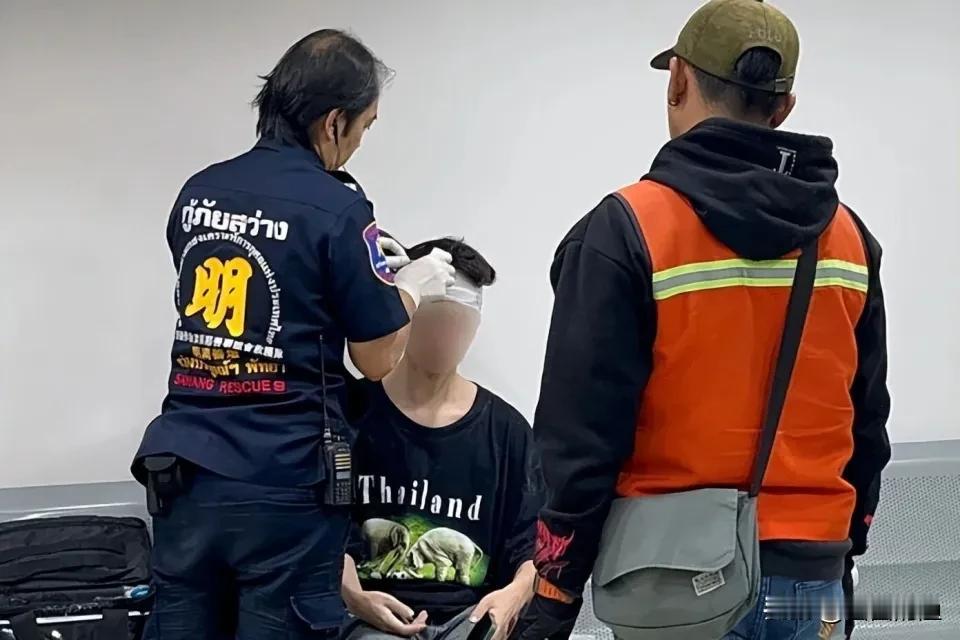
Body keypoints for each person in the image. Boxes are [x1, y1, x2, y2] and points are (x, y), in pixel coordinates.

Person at [520, 2, 891, 640]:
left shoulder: (626, 230)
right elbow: (867, 420)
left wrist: (554, 591)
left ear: (677, 81)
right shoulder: (848, 239)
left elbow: (579, 438)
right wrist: (845, 551)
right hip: (812, 576)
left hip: (675, 581)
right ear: (784, 107)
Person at [131, 31, 455, 639]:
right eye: (364, 127)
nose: (359, 142)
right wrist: (409, 288)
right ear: (333, 123)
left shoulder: (198, 191)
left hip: (185, 477)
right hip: (282, 482)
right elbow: (377, 360)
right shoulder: (338, 210)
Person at [340, 238, 544, 640]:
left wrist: (515, 594)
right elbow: (314, 528)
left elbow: (533, 546)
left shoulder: (507, 432)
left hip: (468, 618)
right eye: (435, 318)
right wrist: (351, 592)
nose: (446, 335)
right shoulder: (349, 413)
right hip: (363, 619)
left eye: (460, 321)